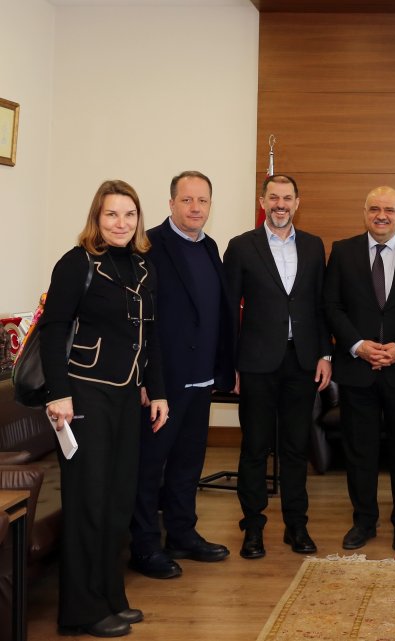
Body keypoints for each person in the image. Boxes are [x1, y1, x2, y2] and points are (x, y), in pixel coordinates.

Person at [40, 180, 168, 637]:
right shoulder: (76, 263)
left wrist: (157, 390)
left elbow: (151, 335)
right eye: (112, 214)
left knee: (117, 502)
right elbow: (54, 329)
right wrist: (58, 393)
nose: (121, 223)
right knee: (88, 503)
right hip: (84, 396)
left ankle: (111, 597)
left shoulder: (143, 266)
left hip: (127, 396)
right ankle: (81, 611)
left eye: (129, 214)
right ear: (97, 217)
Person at [129, 171, 235, 580]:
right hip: (163, 382)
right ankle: (144, 547)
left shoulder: (210, 246)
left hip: (201, 377)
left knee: (188, 465)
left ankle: (182, 534)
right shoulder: (149, 246)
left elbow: (217, 313)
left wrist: (224, 367)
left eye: (202, 200)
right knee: (149, 466)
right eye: (187, 200)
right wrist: (145, 378)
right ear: (171, 203)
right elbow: (141, 320)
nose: (195, 208)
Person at [223, 174, 332, 559]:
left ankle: (296, 527)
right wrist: (231, 365)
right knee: (255, 447)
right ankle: (253, 528)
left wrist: (325, 355)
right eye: (274, 198)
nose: (280, 204)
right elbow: (228, 311)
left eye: (287, 198)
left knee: (295, 447)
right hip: (256, 363)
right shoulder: (241, 247)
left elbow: (320, 306)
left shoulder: (314, 246)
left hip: (301, 362)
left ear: (297, 203)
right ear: (263, 202)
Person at [324, 186, 395, 552]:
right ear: (365, 212)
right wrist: (358, 345)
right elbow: (332, 306)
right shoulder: (343, 251)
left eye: (389, 209)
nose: (381, 215)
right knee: (360, 454)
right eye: (374, 209)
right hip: (358, 370)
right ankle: (364, 522)